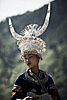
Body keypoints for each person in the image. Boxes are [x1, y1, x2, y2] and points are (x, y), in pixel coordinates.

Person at [8, 2, 61, 100]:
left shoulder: (48, 79)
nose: (27, 60)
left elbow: (56, 98)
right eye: (25, 58)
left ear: (38, 57)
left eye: (30, 57)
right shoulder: (21, 79)